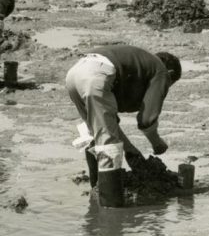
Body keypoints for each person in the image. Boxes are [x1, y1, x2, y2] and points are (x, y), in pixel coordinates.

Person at [65, 46, 181, 181]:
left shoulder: (138, 63)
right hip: (97, 73)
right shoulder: (161, 70)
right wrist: (157, 143)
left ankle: (96, 194)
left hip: (74, 73)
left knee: (96, 136)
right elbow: (147, 120)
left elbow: (110, 125)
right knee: (109, 145)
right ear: (170, 74)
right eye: (168, 85)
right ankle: (111, 199)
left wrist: (131, 150)